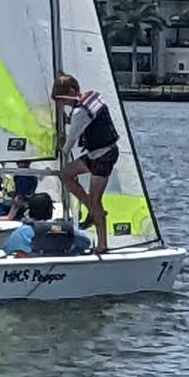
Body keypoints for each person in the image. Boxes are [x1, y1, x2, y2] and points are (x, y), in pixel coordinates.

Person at [52, 73, 119, 252]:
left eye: (63, 101)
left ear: (72, 92)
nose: (63, 104)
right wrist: (69, 120)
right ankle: (91, 207)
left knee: (97, 201)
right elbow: (87, 121)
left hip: (103, 156)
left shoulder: (79, 112)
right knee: (66, 174)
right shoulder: (92, 96)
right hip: (96, 153)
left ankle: (103, 244)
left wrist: (61, 149)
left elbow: (72, 138)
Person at [0, 192, 91, 258]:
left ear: (30, 211)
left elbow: (8, 249)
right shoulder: (67, 229)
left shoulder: (22, 233)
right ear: (50, 211)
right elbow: (86, 242)